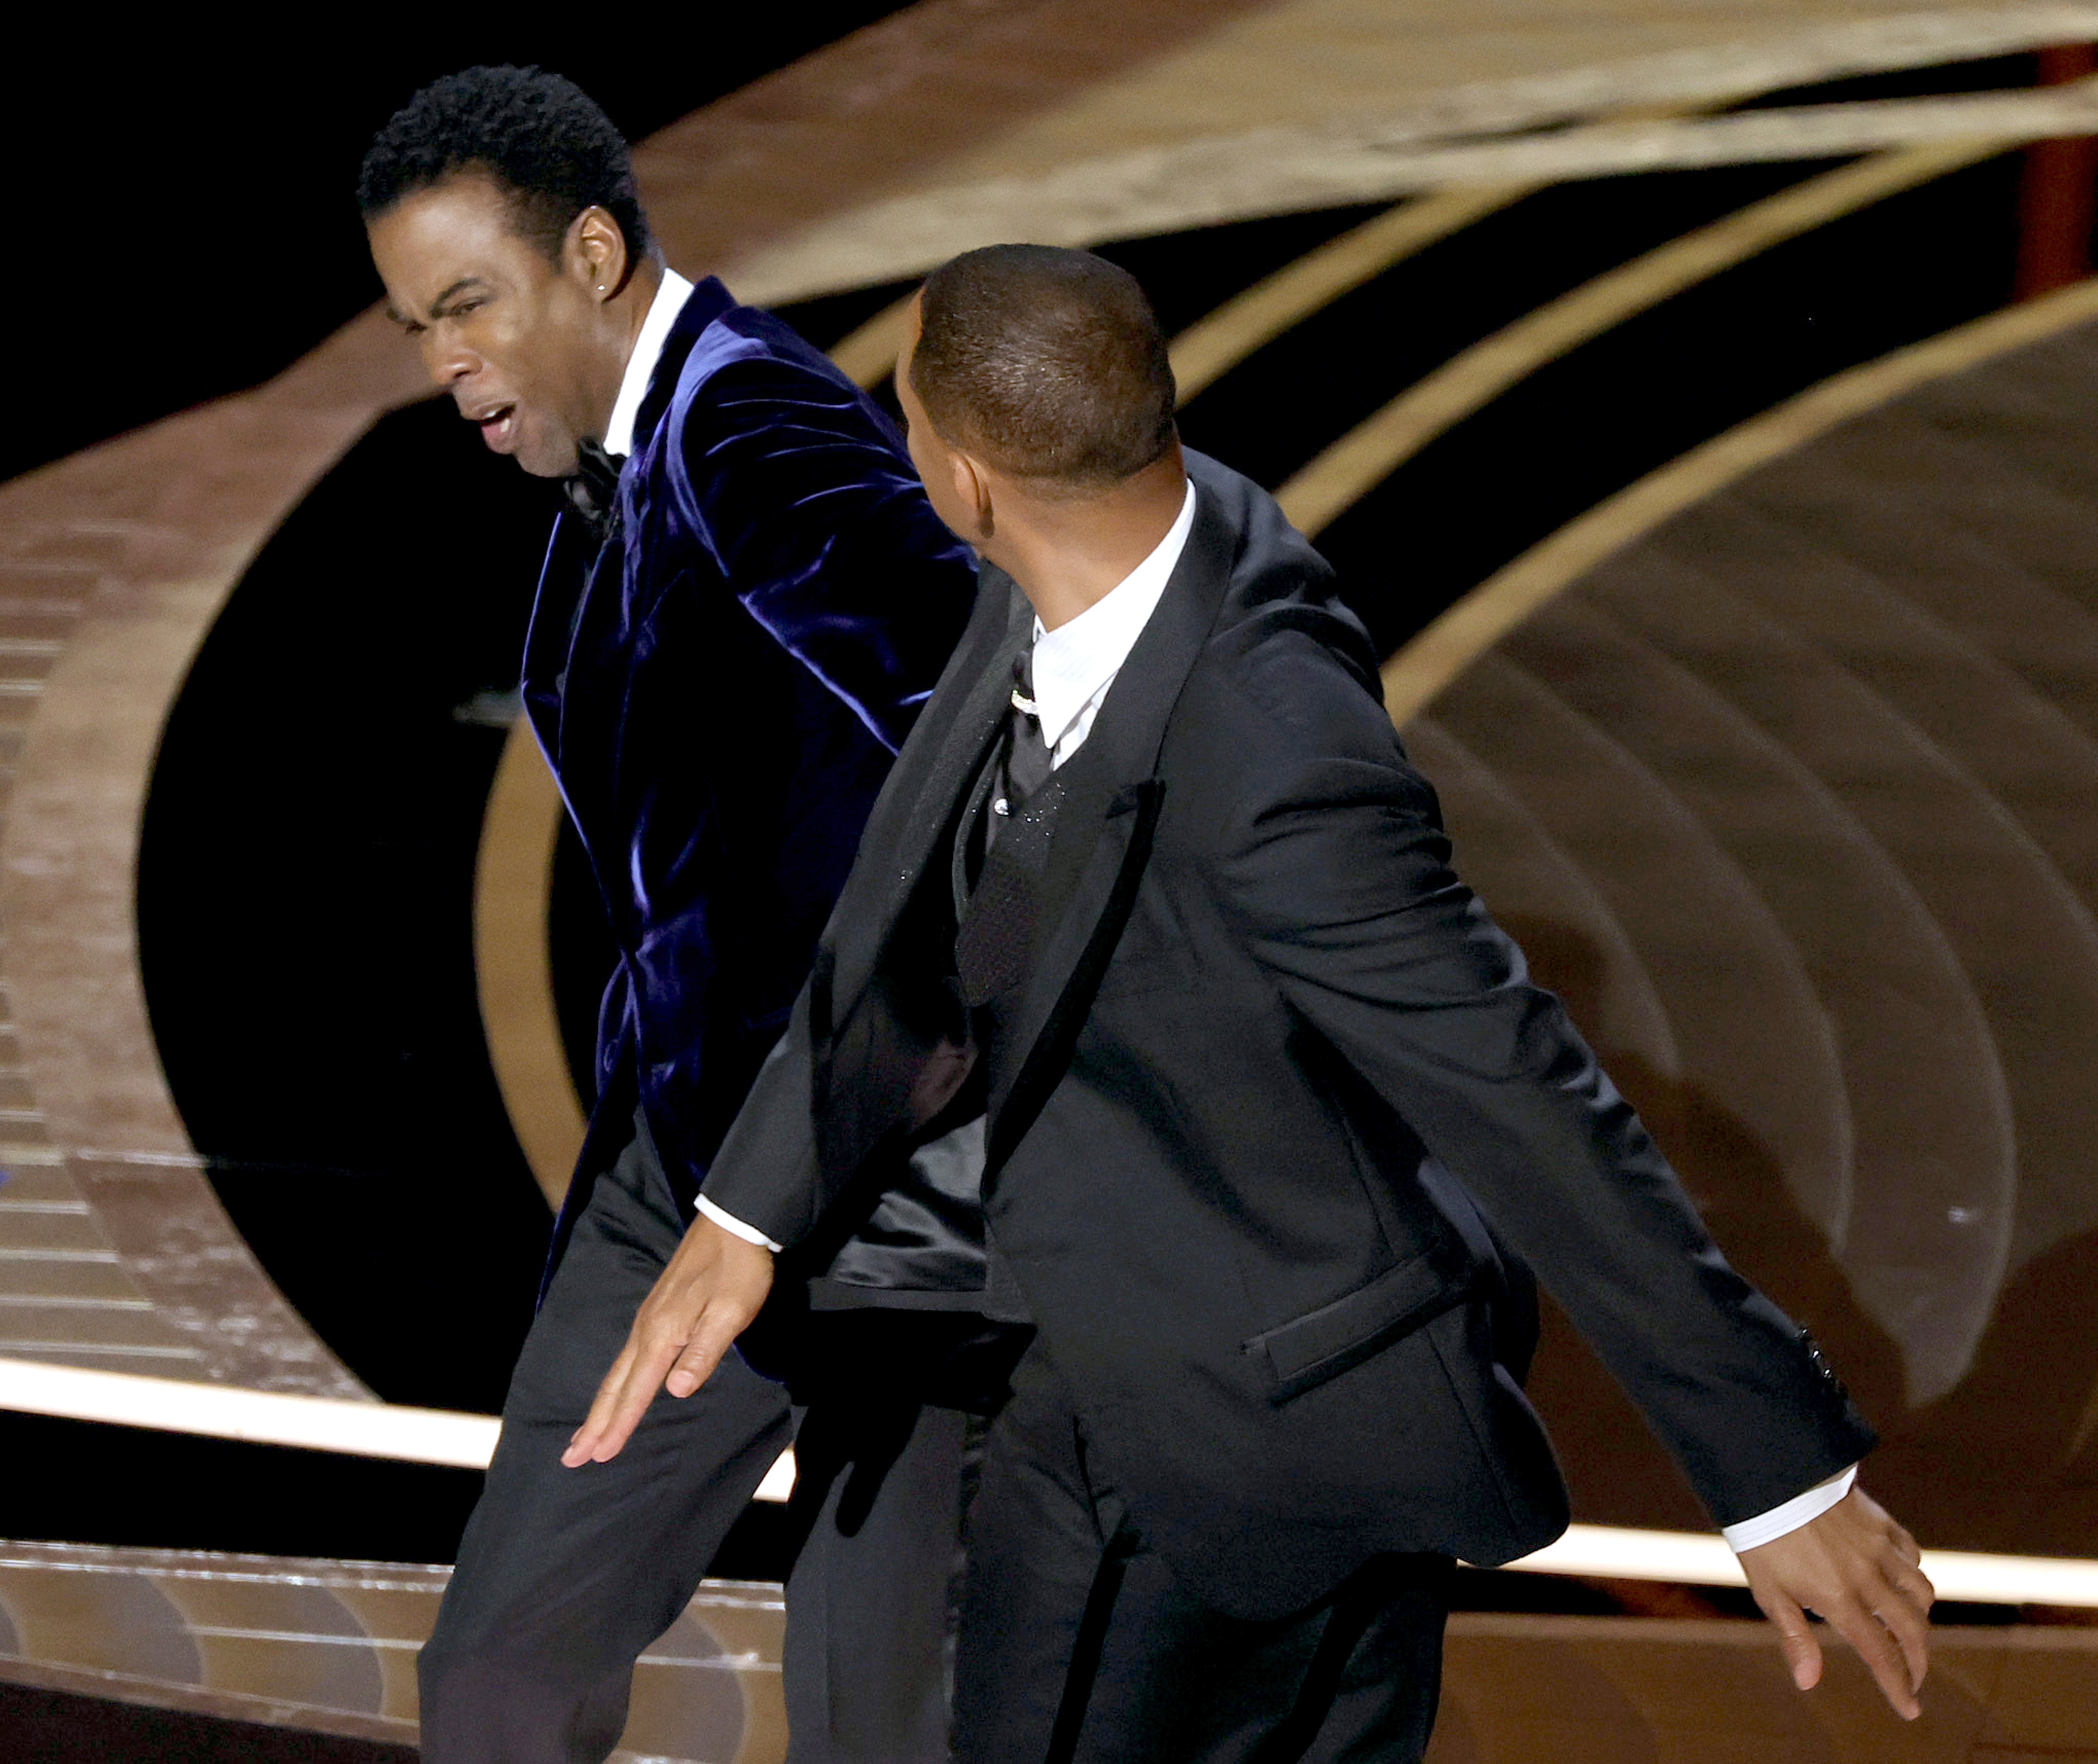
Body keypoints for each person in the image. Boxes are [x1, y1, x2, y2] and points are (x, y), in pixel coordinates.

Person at [572, 245, 1937, 1762]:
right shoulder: (1120, 537)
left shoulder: (1275, 759)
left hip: (1208, 1443)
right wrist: (753, 1209)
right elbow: (950, 905)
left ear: (963, 478)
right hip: (1244, 1391)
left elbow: (1523, 1093)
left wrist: (1780, 1476)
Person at [359, 68, 1014, 1764]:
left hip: (884, 1201)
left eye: (466, 308)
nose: (445, 367)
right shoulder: (609, 482)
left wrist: (872, 1081)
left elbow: (985, 704)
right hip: (684, 1183)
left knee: (886, 1725)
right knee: (501, 1671)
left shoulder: (748, 424)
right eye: (416, 326)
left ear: (590, 252)